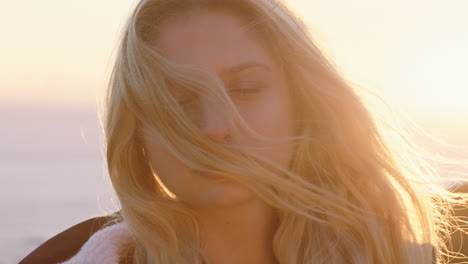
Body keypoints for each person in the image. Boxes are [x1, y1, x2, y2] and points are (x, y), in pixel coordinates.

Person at [20, 0, 468, 263]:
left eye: (247, 88)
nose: (215, 128)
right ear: (137, 129)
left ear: (302, 104)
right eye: (180, 101)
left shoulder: (410, 252)